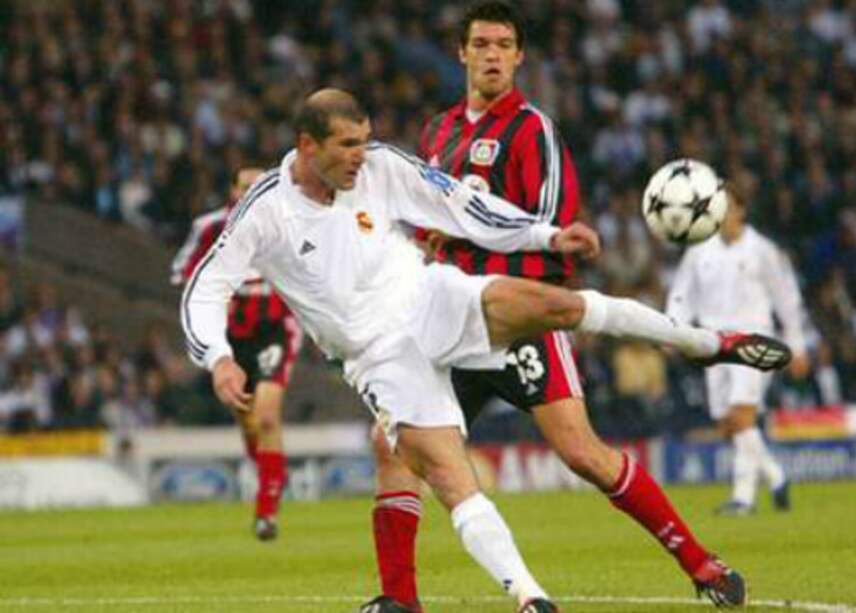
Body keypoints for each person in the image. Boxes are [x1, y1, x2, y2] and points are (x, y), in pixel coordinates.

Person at [181, 88, 789, 613]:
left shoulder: (383, 166)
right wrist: (219, 356)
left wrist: (546, 234)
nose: (359, 157)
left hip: (431, 296)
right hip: (379, 355)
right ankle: (527, 597)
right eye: (346, 145)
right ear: (307, 145)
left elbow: (463, 206)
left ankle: (704, 344)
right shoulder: (266, 212)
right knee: (447, 475)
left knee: (557, 309)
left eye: (364, 141)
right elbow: (207, 286)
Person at [364, 3, 764, 612]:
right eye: (481, 43)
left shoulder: (532, 131)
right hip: (445, 315)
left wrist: (470, 247)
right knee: (392, 442)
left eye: (504, 44)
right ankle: (399, 601)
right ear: (462, 53)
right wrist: (429, 242)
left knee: (581, 452)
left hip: (515, 315)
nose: (492, 54)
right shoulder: (439, 134)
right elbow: (426, 218)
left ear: (519, 57)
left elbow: (547, 227)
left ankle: (699, 562)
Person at [172, 167, 302, 541]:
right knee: (248, 422)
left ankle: (267, 513)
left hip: (275, 328)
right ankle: (272, 472)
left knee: (265, 416)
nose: (252, 191)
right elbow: (183, 271)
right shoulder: (211, 227)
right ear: (232, 190)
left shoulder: (291, 221)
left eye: (259, 185)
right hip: (229, 340)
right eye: (245, 185)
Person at [667, 184, 809, 516]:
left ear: (742, 209)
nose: (722, 213)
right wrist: (671, 330)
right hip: (712, 343)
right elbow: (680, 294)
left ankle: (743, 499)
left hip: (753, 343)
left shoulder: (763, 250)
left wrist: (798, 345)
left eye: (728, 206)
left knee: (741, 415)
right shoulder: (699, 250)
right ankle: (775, 476)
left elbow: (787, 299)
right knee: (727, 425)